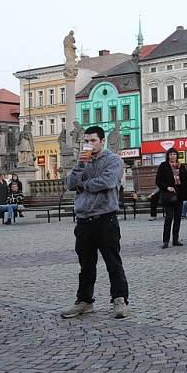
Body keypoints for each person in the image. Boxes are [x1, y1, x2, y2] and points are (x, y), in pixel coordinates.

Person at [61, 126, 129, 319]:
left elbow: (106, 182)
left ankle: (120, 299)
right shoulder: (82, 161)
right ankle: (84, 301)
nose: (88, 144)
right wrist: (79, 167)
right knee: (86, 264)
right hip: (83, 219)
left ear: (102, 141)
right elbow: (69, 184)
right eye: (86, 141)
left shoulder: (113, 160)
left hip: (105, 217)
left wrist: (83, 185)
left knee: (113, 262)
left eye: (92, 141)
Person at [155, 148, 187, 249]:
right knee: (169, 218)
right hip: (168, 195)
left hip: (179, 195)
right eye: (171, 154)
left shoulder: (181, 166)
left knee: (178, 218)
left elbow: (186, 180)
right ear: (168, 156)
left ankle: (175, 240)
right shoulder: (163, 166)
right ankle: (166, 241)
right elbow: (158, 180)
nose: (173, 156)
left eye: (174, 154)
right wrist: (166, 187)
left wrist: (185, 193)